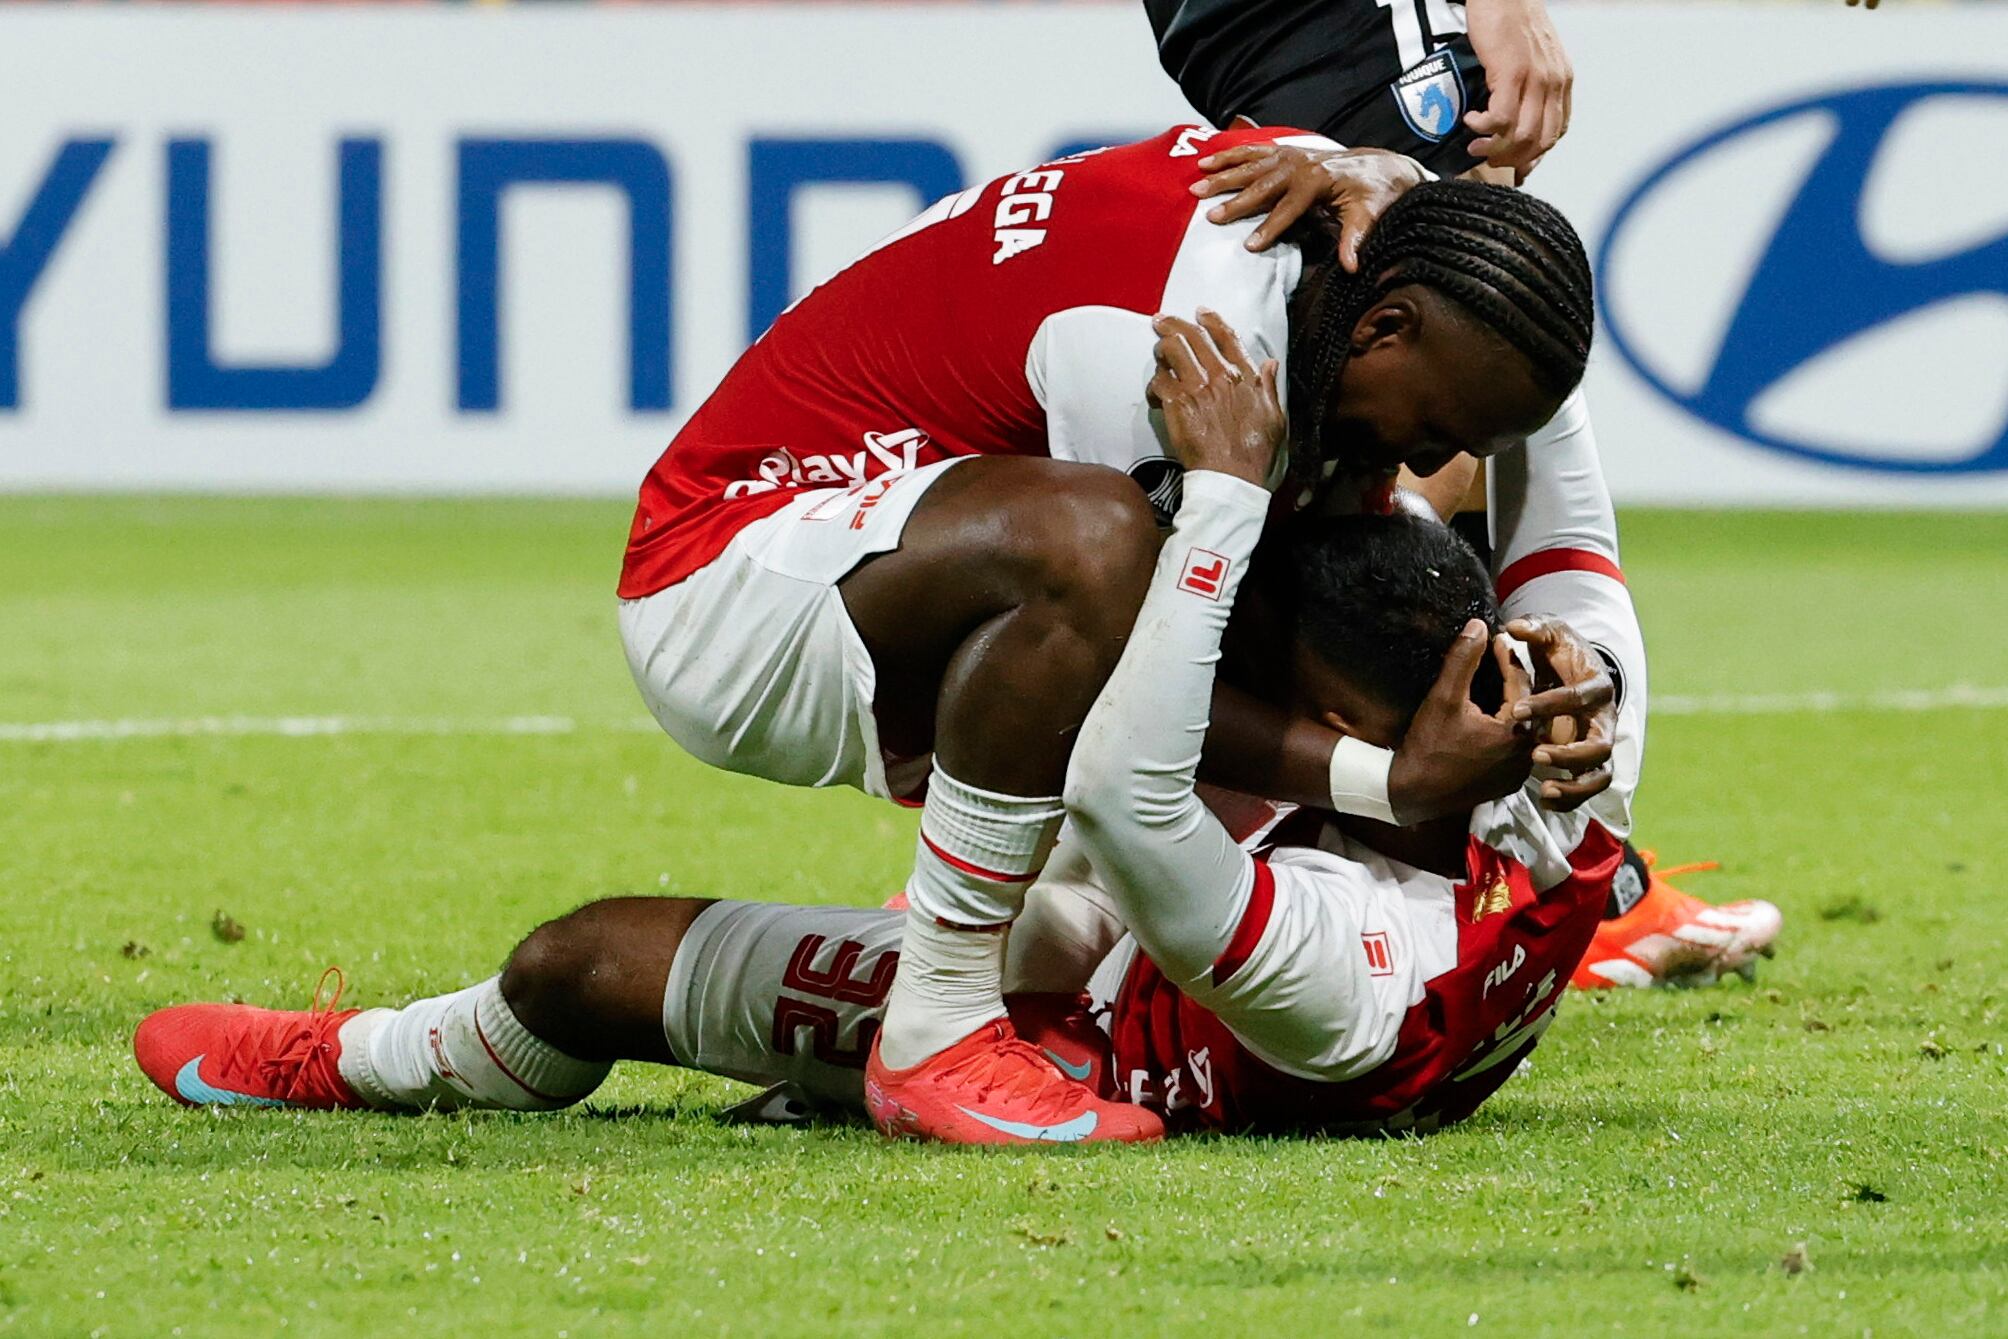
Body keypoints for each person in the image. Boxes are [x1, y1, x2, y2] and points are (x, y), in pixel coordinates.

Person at [126, 314, 1625, 1140]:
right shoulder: (1583, 725)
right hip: (1177, 893)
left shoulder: (1349, 968)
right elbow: (1553, 436)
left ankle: (368, 1058)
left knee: (577, 960)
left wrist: (1227, 497)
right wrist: (1434, 204)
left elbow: (1125, 786)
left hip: (1092, 1027)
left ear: (1346, 717)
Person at [609, 122, 1603, 1143]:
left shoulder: (1348, 233)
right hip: (729, 595)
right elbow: (1137, 711)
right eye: (1434, 427)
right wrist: (1387, 784)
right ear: (1384, 324)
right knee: (1104, 546)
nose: (1427, 457)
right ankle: (938, 1024)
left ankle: (454, 1045)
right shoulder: (1170, 351)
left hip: (887, 557)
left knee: (1205, 565)